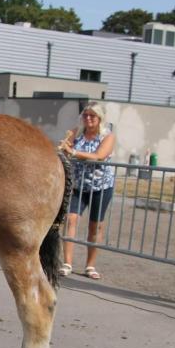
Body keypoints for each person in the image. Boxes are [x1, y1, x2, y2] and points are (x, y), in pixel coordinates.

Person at [59, 102, 116, 280]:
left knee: (95, 225)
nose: (88, 119)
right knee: (70, 219)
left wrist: (73, 152)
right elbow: (64, 149)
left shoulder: (108, 136)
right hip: (78, 185)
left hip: (101, 186)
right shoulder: (77, 132)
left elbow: (99, 156)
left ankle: (90, 265)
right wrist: (65, 149)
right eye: (86, 115)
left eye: (92, 116)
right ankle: (67, 262)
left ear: (100, 118)